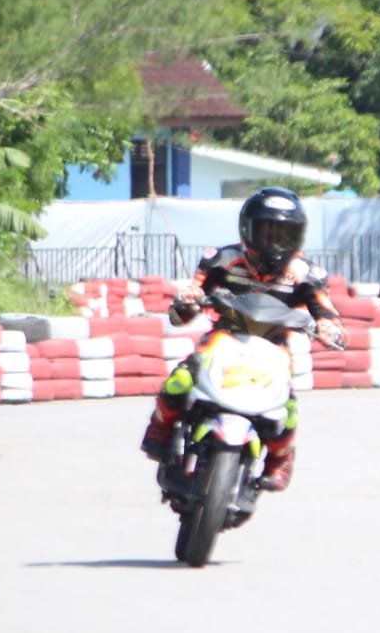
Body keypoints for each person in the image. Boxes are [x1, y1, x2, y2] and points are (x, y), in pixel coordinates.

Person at [139, 186, 346, 492]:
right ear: (248, 229)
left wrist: (330, 327)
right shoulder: (223, 259)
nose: (274, 241)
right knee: (181, 379)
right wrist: (188, 300)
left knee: (286, 404)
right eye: (266, 231)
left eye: (284, 234)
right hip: (225, 336)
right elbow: (185, 306)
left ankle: (279, 460)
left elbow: (326, 311)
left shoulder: (307, 273)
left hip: (274, 347)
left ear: (298, 236)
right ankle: (161, 427)